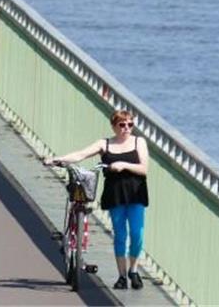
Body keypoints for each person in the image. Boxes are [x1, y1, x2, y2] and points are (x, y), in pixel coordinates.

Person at [43, 110, 150, 291]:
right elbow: (80, 155)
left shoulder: (139, 142)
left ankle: (133, 270)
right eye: (122, 125)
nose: (126, 129)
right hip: (115, 194)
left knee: (137, 234)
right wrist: (57, 159)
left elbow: (143, 168)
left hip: (135, 194)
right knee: (120, 235)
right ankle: (122, 276)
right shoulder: (105, 143)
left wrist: (123, 165)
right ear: (114, 126)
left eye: (130, 125)